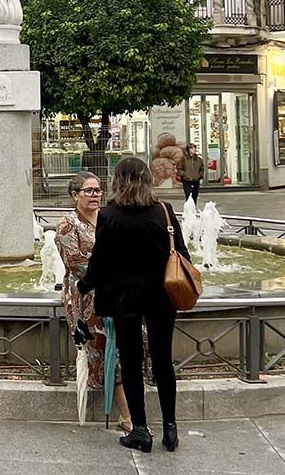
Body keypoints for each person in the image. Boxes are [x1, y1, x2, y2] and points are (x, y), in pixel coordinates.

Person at [79, 157, 189, 454]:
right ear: (147, 179)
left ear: (118, 181)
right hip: (162, 298)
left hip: (124, 299)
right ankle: (170, 428)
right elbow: (182, 254)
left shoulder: (110, 215)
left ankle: (140, 429)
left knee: (131, 363)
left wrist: (85, 284)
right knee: (163, 361)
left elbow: (99, 261)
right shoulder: (163, 211)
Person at [55, 171, 131, 432]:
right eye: (89, 191)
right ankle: (127, 415)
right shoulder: (68, 225)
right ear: (75, 195)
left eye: (98, 190)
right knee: (107, 350)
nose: (96, 195)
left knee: (124, 348)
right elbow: (76, 264)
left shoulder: (109, 218)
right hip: (86, 299)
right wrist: (116, 272)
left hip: (116, 295)